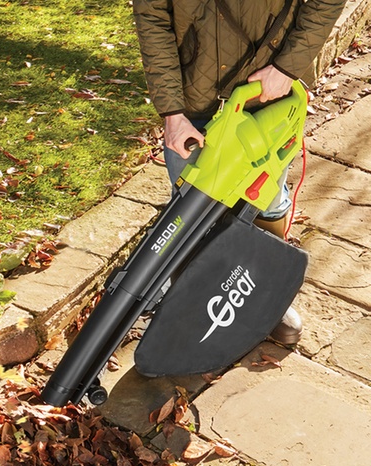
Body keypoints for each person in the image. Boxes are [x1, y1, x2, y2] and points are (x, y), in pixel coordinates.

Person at [132, 0, 346, 345]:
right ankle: (195, 305)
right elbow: (152, 16)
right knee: (190, 214)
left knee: (266, 200)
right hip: (193, 102)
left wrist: (287, 67)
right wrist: (172, 111)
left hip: (265, 94)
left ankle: (265, 297)